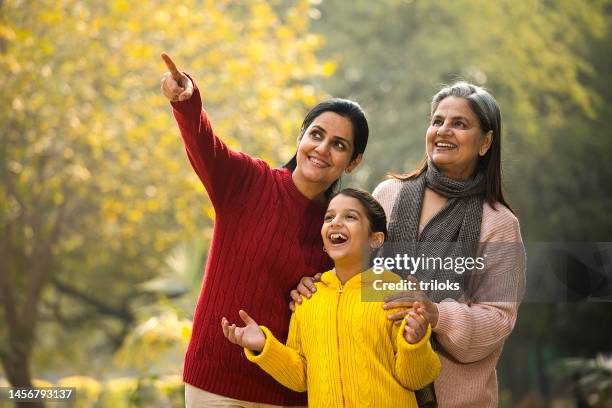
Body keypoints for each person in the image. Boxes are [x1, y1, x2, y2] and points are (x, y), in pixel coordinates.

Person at [292, 82, 526, 407]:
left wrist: (436, 315)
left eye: (459, 124)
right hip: (376, 392)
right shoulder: (388, 194)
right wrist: (317, 286)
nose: (443, 131)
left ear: (485, 142)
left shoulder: (499, 223)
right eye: (437, 121)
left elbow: (498, 319)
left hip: (456, 399)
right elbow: (351, 276)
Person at [160, 53, 369, 407]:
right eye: (316, 135)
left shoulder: (340, 228)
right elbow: (204, 143)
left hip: (287, 392)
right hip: (215, 382)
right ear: (300, 136)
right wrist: (187, 98)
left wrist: (321, 289)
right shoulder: (248, 182)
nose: (322, 149)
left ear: (353, 162)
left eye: (339, 144)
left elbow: (363, 292)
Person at [222, 188, 441, 407]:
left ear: (375, 239)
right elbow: (301, 377)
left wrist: (415, 343)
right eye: (329, 217)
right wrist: (264, 345)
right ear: (325, 245)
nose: (335, 222)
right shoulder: (309, 298)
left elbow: (416, 379)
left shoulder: (394, 293)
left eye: (350, 216)